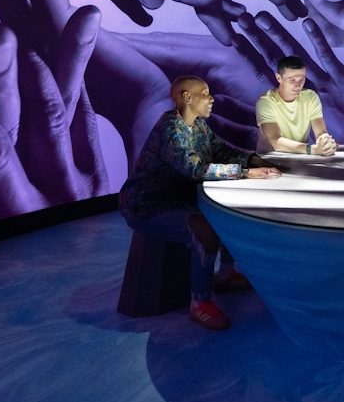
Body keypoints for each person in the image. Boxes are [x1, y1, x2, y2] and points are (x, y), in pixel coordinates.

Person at [118, 75, 282, 331]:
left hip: (179, 201)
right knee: (204, 231)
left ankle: (226, 275)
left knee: (229, 214)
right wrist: (245, 172)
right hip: (148, 207)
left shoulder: (198, 126)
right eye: (205, 93)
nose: (212, 98)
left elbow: (221, 151)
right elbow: (195, 169)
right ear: (187, 97)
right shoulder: (171, 130)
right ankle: (200, 303)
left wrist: (253, 159)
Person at [255, 54, 338, 155]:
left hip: (299, 158)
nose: (298, 85)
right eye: (292, 80)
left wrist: (325, 142)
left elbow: (321, 132)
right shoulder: (266, 101)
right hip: (269, 161)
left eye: (302, 79)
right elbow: (276, 142)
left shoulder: (310, 96)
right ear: (278, 78)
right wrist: (313, 149)